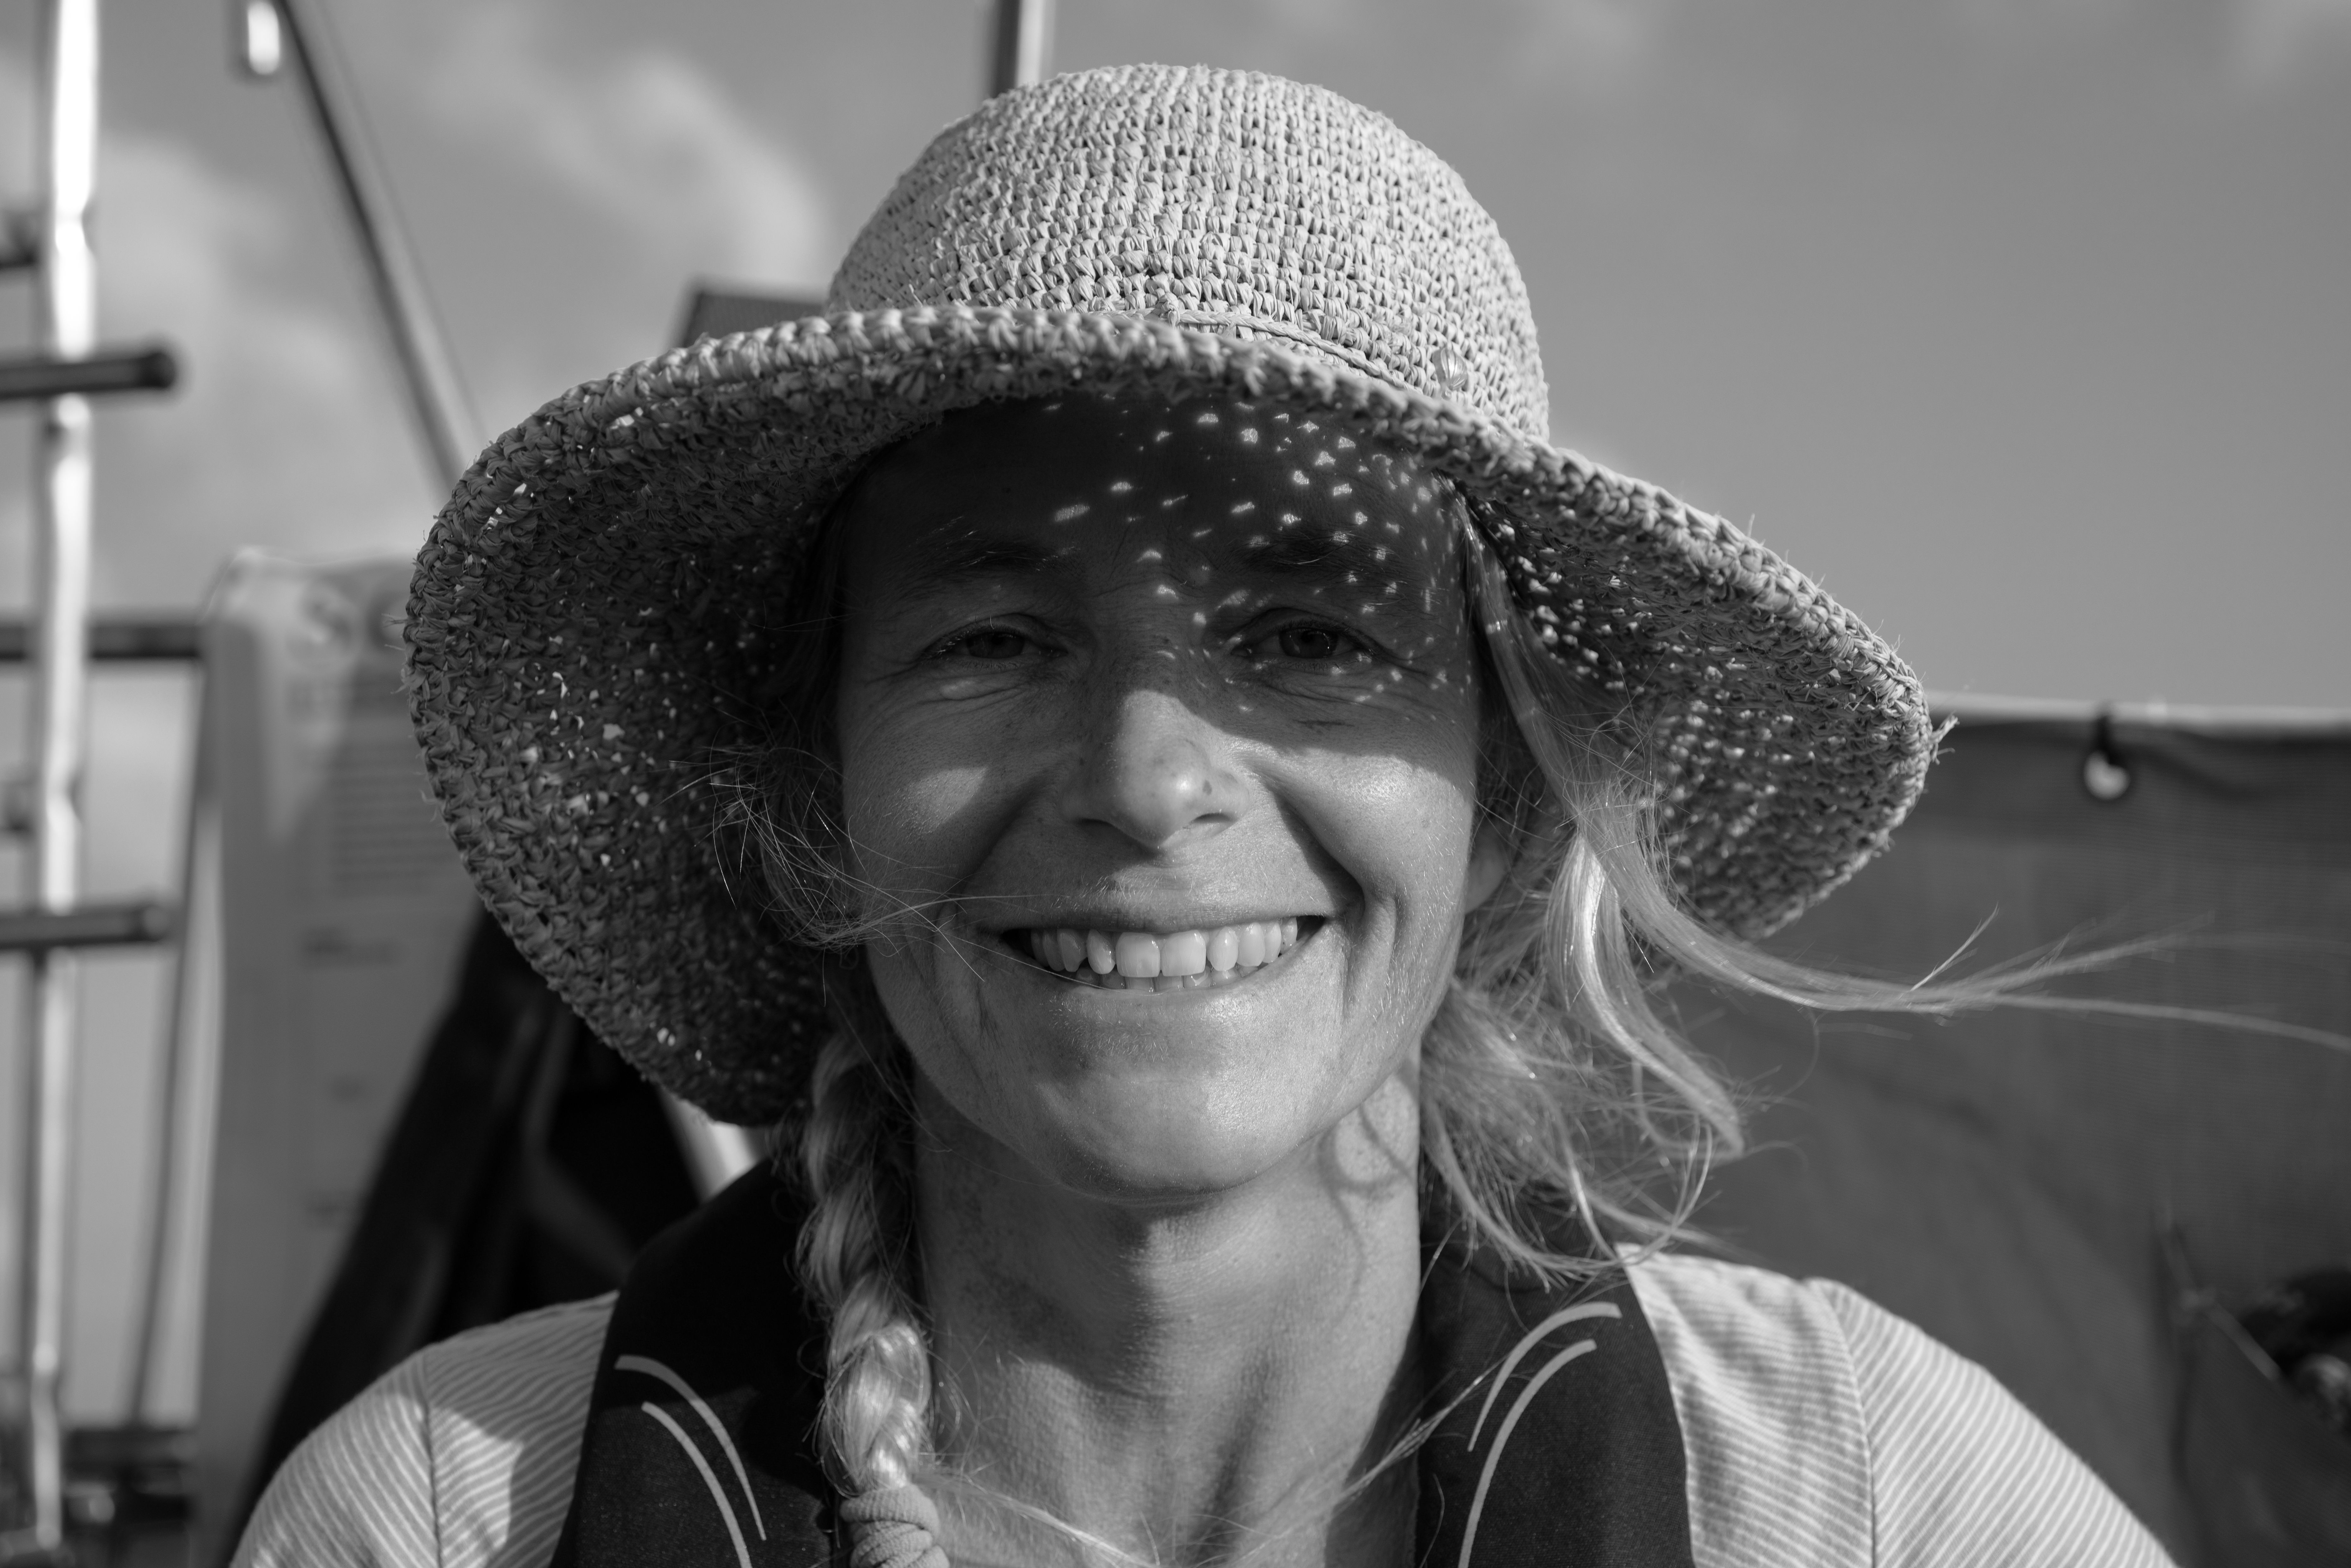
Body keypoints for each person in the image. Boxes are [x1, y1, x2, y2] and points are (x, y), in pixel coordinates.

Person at [238, 64, 2175, 1568]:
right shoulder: (457, 1517)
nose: (1150, 782)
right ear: (816, 789)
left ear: (1509, 802)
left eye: (1310, 638)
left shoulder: (1869, 1501)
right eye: (994, 640)